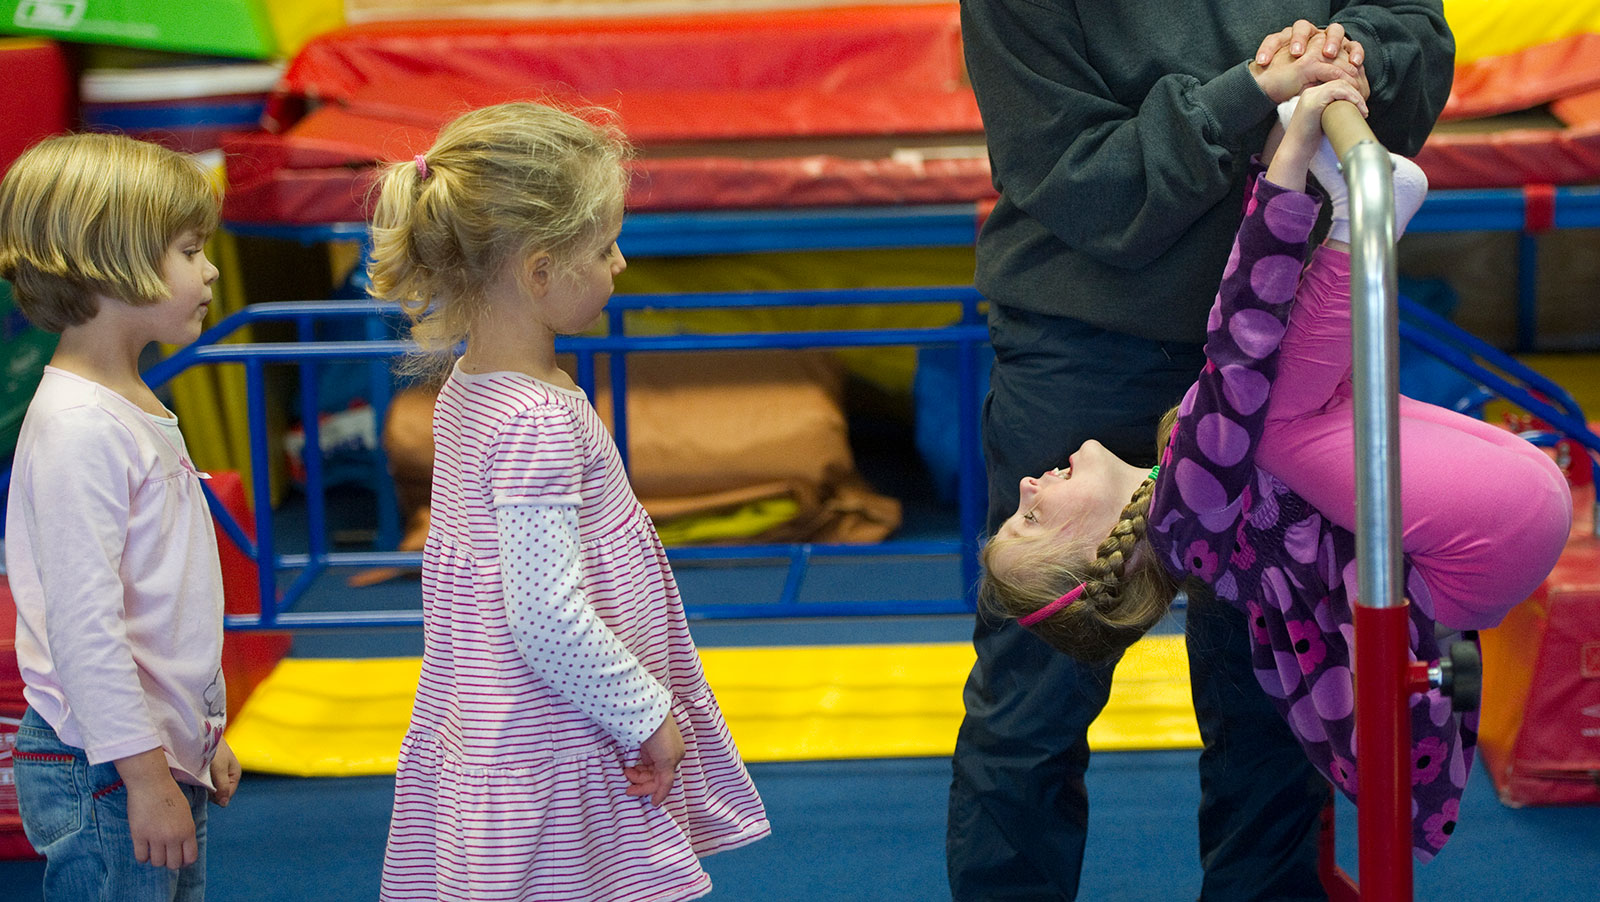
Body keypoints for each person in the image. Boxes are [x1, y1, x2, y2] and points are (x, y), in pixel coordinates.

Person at [980, 80, 1572, 861]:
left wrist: (1283, 164)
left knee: (1277, 405)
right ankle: (1362, 221)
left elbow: (1259, 347)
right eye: (1028, 520)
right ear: (1098, 556)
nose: (1025, 487)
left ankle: (1363, 215)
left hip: (1501, 516)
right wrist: (1286, 163)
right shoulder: (1189, 517)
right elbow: (1240, 344)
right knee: (1259, 410)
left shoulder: (1194, 504)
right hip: (1487, 534)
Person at [952, 3, 1456, 899]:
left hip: (1285, 338)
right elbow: (1080, 180)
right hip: (1091, 335)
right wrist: (1251, 92)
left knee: (1279, 691)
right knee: (1036, 691)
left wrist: (1351, 55)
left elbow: (1412, 29)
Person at [366, 102, 771, 902]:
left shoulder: (472, 388)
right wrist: (646, 714)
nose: (621, 261)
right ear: (541, 272)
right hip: (557, 732)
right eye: (606, 245)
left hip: (508, 725)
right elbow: (546, 615)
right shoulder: (537, 422)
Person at [0, 132, 241, 901]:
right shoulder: (80, 429)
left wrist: (197, 736)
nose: (209, 270)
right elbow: (85, 628)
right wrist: (142, 774)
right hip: (103, 763)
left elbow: (159, 603)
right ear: (111, 263)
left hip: (145, 749)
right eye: (188, 251)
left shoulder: (128, 402)